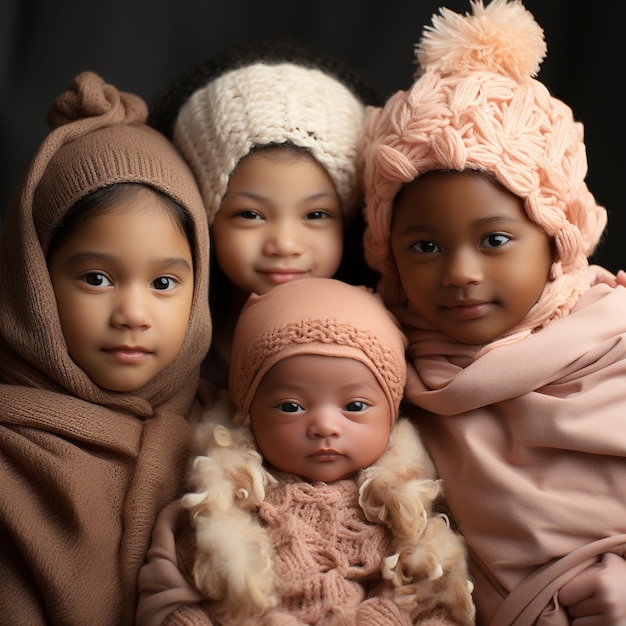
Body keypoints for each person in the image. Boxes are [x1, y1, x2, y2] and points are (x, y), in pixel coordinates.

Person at [359, 0, 626, 624]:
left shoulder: (613, 341)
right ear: (390, 254)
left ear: (556, 236)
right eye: (424, 246)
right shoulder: (377, 365)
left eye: (495, 240)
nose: (460, 273)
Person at [137, 277, 476, 626]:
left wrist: (385, 616)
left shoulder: (402, 515)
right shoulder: (225, 509)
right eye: (290, 407)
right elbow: (172, 598)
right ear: (248, 415)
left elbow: (436, 604)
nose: (324, 426)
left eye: (355, 405)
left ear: (391, 418)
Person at [0, 71, 212, 625]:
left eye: (164, 283)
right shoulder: (11, 460)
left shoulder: (234, 430)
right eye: (96, 278)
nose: (134, 315)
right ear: (33, 280)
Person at [148, 41, 381, 391]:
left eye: (316, 214)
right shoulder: (170, 350)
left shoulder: (378, 338)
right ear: (207, 217)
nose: (284, 244)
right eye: (251, 214)